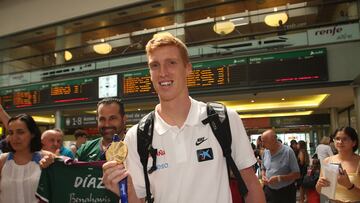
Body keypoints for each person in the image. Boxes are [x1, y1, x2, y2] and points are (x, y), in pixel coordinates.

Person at [102, 33, 265, 203]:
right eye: (155, 65)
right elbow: (139, 200)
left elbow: (251, 186)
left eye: (171, 63)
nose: (163, 72)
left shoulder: (224, 119)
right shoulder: (137, 136)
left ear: (188, 68)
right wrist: (127, 193)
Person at [0, 114, 49, 202]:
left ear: (32, 134)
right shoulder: (2, 161)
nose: (15, 138)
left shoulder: (47, 158)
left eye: (20, 132)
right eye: (11, 133)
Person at [316, 127, 360, 202]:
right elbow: (320, 190)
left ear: (354, 142)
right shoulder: (328, 161)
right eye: (337, 138)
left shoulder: (358, 161)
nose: (340, 142)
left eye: (345, 139)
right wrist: (319, 185)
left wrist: (349, 185)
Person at [76, 97, 126, 162]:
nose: (107, 124)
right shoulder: (85, 149)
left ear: (124, 119)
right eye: (102, 119)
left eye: (112, 118)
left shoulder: (135, 147)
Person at [261, 129, 300, 203]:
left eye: (264, 142)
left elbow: (297, 174)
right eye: (262, 141)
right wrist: (263, 176)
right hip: (269, 191)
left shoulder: (288, 151)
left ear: (274, 140)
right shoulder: (265, 152)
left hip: (286, 192)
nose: (262, 145)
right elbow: (263, 168)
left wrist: (280, 178)